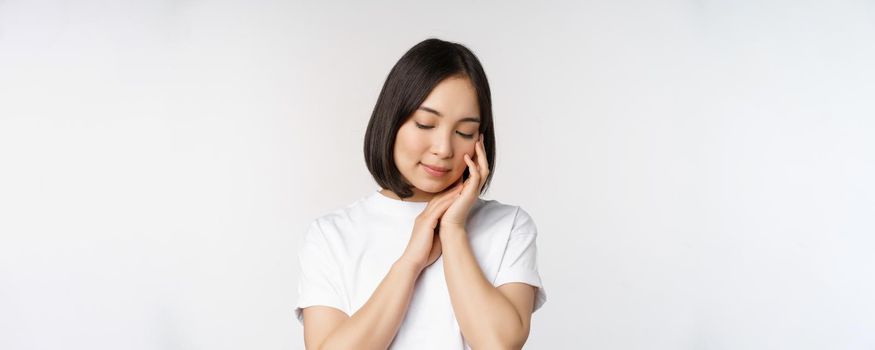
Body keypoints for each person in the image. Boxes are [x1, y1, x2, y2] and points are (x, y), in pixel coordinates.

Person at [294, 38, 546, 349]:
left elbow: (498, 345)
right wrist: (411, 261)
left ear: (480, 140)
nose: (443, 149)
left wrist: (453, 230)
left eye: (464, 132)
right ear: (392, 120)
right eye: (426, 124)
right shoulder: (331, 235)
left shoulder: (508, 226)